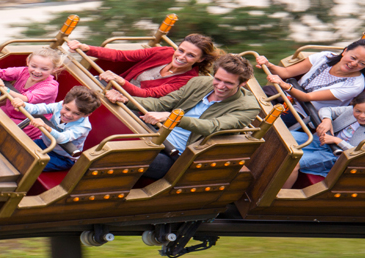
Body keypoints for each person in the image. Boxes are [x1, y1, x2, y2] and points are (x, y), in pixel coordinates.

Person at [105, 54, 261, 180]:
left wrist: (172, 118)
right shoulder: (200, 83)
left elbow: (213, 126)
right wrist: (126, 99)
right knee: (115, 121)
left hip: (179, 156)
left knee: (125, 157)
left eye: (228, 83)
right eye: (218, 79)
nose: (220, 86)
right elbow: (163, 104)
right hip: (157, 134)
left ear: (242, 84)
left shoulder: (248, 106)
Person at [284, 92, 365, 188]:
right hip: (321, 141)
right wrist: (327, 120)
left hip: (335, 156)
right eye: (358, 111)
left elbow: (359, 154)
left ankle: (280, 194)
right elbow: (326, 110)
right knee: (285, 136)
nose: (362, 116)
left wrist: (337, 141)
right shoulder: (351, 110)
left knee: (293, 163)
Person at [66, 34, 220, 98]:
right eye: (181, 50)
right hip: (113, 87)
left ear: (200, 60)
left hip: (131, 103)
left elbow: (148, 94)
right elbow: (122, 55)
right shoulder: (164, 52)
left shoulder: (187, 79)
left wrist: (120, 82)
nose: (181, 57)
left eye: (190, 55)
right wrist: (87, 48)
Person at [255, 38, 365, 114]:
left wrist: (285, 85)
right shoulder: (324, 57)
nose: (354, 64)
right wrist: (268, 64)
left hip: (305, 112)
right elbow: (286, 73)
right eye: (353, 57)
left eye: (362, 63)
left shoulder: (355, 85)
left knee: (261, 114)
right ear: (345, 51)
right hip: (285, 96)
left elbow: (307, 97)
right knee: (252, 97)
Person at [0, 48, 68, 141]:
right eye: (34, 66)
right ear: (28, 62)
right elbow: (0, 73)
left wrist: (5, 89)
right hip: (10, 111)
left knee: (2, 127)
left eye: (44, 69)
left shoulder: (51, 86)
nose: (37, 71)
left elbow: (25, 99)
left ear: (54, 69)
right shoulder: (24, 71)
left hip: (30, 121)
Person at [9, 86, 101, 171]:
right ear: (64, 103)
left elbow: (63, 138)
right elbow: (41, 108)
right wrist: (24, 105)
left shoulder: (83, 127)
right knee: (16, 151)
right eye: (67, 109)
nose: (68, 114)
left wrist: (45, 126)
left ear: (86, 115)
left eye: (76, 113)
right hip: (44, 143)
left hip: (62, 157)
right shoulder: (59, 105)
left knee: (28, 163)